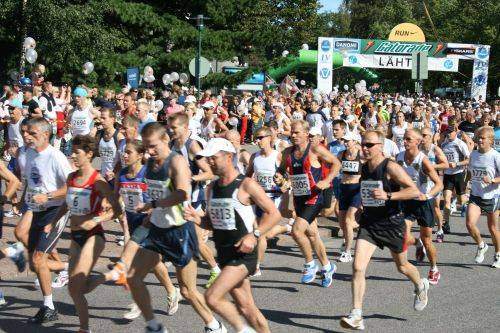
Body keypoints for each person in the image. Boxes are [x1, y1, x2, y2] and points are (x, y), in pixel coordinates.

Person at [126, 122, 226, 333]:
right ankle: (154, 326)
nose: (150, 151)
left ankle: (214, 326)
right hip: (156, 230)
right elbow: (157, 194)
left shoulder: (177, 161)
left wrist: (153, 205)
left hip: (179, 231)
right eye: (146, 147)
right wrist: (151, 214)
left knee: (188, 290)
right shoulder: (151, 164)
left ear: (165, 140)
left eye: (153, 146)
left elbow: (182, 193)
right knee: (133, 278)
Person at [183, 137, 280, 333]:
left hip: (244, 254)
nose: (209, 162)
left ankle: (242, 330)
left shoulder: (245, 184)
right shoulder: (212, 188)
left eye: (213, 158)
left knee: (212, 297)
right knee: (247, 308)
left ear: (229, 157)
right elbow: (213, 223)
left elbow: (274, 213)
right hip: (225, 253)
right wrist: (197, 218)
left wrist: (255, 235)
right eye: (207, 158)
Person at [340, 130, 429, 331]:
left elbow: (414, 190)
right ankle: (356, 314)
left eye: (369, 145)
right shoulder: (364, 168)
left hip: (392, 223)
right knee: (357, 266)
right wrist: (362, 208)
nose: (364, 148)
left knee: (403, 266)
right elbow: (368, 192)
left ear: (381, 146)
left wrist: (388, 196)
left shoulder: (391, 167)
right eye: (363, 144)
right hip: (370, 224)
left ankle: (420, 285)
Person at [44, 135, 122, 333]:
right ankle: (111, 276)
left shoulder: (98, 181)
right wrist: (52, 222)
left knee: (77, 285)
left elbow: (117, 209)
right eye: (73, 151)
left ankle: (84, 329)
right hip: (76, 236)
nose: (73, 155)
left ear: (89, 154)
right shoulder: (71, 178)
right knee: (75, 289)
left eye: (77, 152)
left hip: (94, 236)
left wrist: (96, 219)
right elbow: (66, 204)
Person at [103, 139, 181, 320]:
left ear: (140, 155)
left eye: (128, 152)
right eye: (123, 152)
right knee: (153, 262)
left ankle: (139, 303)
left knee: (135, 267)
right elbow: (116, 200)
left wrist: (152, 209)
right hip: (133, 221)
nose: (124, 155)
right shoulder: (121, 175)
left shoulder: (149, 173)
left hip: (150, 223)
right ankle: (171, 290)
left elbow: (162, 196)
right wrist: (106, 210)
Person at [278, 120, 341, 287]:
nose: (293, 135)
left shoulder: (314, 149)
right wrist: (279, 177)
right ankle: (328, 267)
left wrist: (327, 180)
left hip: (315, 197)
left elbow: (336, 163)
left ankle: (309, 264)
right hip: (299, 198)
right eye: (292, 132)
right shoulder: (287, 152)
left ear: (306, 134)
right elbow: (282, 169)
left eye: (297, 132)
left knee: (297, 231)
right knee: (312, 235)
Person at [24, 117, 72, 323]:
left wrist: (49, 196)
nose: (26, 136)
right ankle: (69, 267)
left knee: (38, 258)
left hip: (56, 211)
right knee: (34, 263)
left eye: (32, 133)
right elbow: (31, 181)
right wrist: (21, 201)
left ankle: (48, 306)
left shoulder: (56, 157)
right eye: (25, 133)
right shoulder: (29, 153)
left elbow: (72, 186)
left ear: (46, 135)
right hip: (37, 210)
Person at [168, 113, 221, 289]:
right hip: (178, 200)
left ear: (185, 126)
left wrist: (191, 177)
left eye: (174, 127)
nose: (171, 130)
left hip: (195, 201)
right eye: (170, 127)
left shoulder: (192, 146)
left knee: (197, 241)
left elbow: (210, 172)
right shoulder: (171, 144)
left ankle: (215, 270)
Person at [397, 129, 443, 285]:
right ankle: (417, 244)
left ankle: (434, 268)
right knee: (402, 233)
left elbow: (439, 184)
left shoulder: (423, 160)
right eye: (404, 139)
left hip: (424, 202)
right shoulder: (399, 157)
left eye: (408, 139)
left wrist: (428, 195)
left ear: (417, 142)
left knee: (427, 240)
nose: (405, 142)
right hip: (407, 201)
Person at [465, 126, 500, 267]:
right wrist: (466, 182)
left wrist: (492, 180)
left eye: (483, 138)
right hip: (476, 195)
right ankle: (481, 245)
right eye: (478, 137)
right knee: (469, 224)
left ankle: (498, 254)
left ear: (491, 141)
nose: (479, 140)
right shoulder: (473, 155)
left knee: (492, 228)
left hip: (492, 196)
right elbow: (470, 171)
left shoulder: (495, 156)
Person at [337, 132, 363, 263]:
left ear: (354, 141)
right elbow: (334, 166)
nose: (346, 143)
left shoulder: (361, 153)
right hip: (344, 189)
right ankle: (358, 228)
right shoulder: (341, 154)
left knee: (348, 221)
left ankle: (347, 252)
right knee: (342, 223)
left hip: (356, 190)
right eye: (344, 140)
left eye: (348, 140)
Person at [420, 127, 449, 242]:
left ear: (431, 137)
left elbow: (445, 164)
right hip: (421, 182)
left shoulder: (435, 149)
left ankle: (440, 230)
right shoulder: (418, 149)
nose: (423, 137)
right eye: (421, 135)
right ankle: (424, 233)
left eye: (425, 135)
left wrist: (432, 166)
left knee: (436, 207)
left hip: (434, 182)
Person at [441, 124, 470, 233]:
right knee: (447, 199)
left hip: (459, 173)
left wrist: (457, 164)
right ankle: (446, 224)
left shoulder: (460, 144)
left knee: (461, 200)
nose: (448, 134)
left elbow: (468, 160)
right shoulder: (444, 144)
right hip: (448, 174)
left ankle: (466, 203)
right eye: (447, 132)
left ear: (455, 132)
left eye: (450, 132)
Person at [97, 108, 123, 184]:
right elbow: (96, 155)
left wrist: (113, 173)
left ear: (112, 119)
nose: (101, 120)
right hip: (102, 177)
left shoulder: (119, 137)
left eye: (104, 118)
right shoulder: (99, 134)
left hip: (114, 179)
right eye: (101, 118)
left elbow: (122, 160)